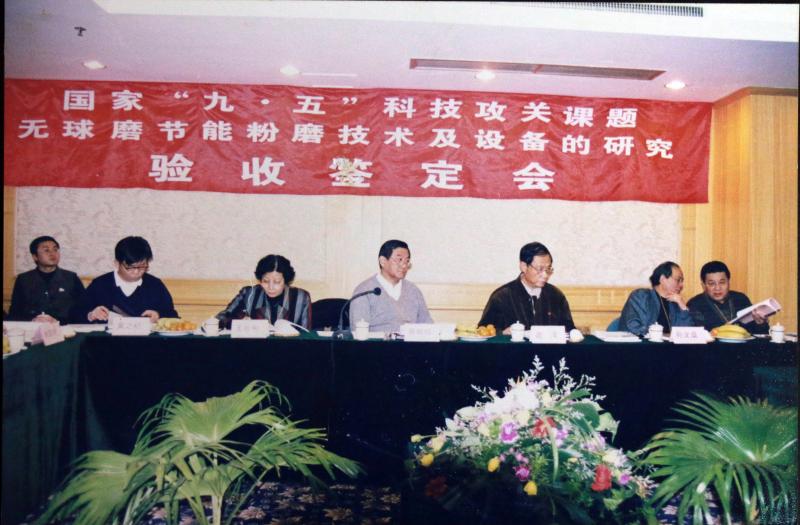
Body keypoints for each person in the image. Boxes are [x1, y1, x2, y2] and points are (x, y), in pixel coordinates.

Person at [75, 236, 178, 323]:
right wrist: (91, 315)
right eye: (130, 267)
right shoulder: (100, 285)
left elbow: (173, 316)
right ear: (117, 263)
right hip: (108, 340)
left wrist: (158, 316)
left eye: (142, 266)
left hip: (146, 340)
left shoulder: (155, 285)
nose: (136, 271)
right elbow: (75, 315)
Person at [479, 242, 575, 333]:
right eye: (540, 269)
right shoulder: (502, 297)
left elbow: (570, 331)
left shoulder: (556, 296)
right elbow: (483, 332)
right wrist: (502, 334)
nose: (545, 275)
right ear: (524, 266)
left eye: (548, 269)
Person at [349, 239, 433, 333]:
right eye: (399, 260)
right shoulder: (364, 291)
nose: (404, 266)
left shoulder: (413, 290)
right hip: (377, 342)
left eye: (407, 261)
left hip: (410, 342)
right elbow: (358, 333)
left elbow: (427, 325)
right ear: (383, 261)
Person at [216, 254, 311, 329]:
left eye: (277, 282)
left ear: (285, 281)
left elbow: (306, 334)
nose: (271, 287)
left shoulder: (301, 298)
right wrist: (239, 322)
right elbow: (221, 318)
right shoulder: (248, 294)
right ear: (260, 279)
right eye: (265, 281)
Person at [8, 236, 85, 324]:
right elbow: (15, 312)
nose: (52, 254)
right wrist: (32, 320)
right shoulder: (23, 279)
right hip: (33, 327)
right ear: (35, 256)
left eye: (55, 250)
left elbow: (82, 310)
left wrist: (59, 321)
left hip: (64, 327)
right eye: (46, 250)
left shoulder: (71, 278)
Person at [687, 260, 768, 334]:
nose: (717, 288)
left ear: (728, 282)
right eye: (712, 284)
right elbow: (696, 336)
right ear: (703, 285)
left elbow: (760, 334)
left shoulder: (741, 299)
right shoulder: (695, 304)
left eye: (722, 282)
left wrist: (761, 323)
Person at [618, 261, 694, 336]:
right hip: (643, 343)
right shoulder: (641, 296)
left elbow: (686, 333)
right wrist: (660, 335)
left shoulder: (675, 303)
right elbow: (633, 326)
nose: (681, 285)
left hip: (668, 344)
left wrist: (682, 306)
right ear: (662, 279)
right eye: (678, 280)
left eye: (682, 281)